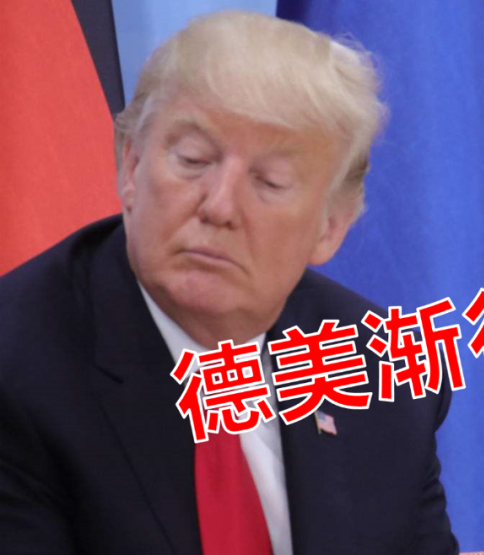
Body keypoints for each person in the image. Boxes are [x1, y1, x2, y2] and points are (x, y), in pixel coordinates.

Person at [0, 11, 458, 555]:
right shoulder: (19, 370)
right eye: (193, 160)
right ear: (131, 164)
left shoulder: (382, 373)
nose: (219, 207)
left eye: (270, 182)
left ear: (330, 227)